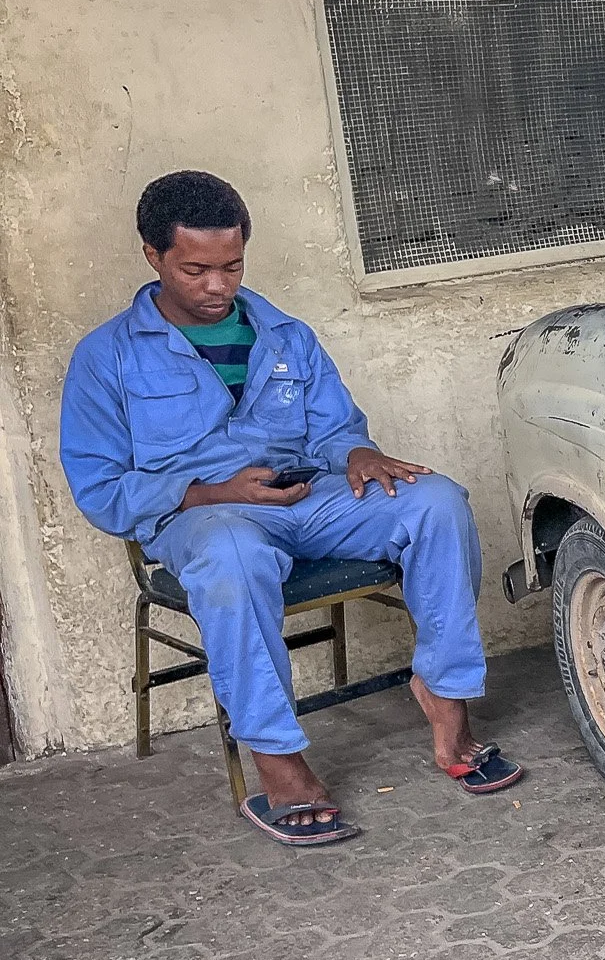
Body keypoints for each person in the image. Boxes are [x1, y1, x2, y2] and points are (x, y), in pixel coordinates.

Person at [59, 171, 521, 845]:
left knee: (437, 502)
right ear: (153, 257)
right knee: (231, 553)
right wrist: (217, 492)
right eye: (196, 269)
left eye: (233, 265)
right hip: (206, 517)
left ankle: (445, 698)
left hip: (308, 499)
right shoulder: (106, 358)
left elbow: (334, 429)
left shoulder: (285, 335)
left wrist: (357, 453)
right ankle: (277, 760)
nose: (219, 286)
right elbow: (100, 488)